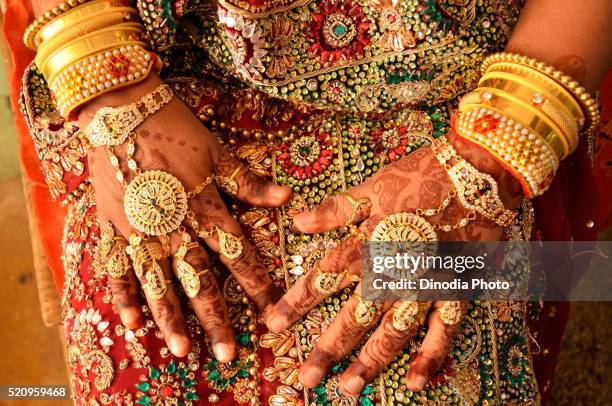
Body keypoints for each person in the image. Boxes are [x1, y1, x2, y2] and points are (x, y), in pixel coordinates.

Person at [7, 0, 610, 404]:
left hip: (445, 120)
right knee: (148, 353)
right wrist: (108, 87)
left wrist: (486, 165)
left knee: (408, 371)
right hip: (162, 88)